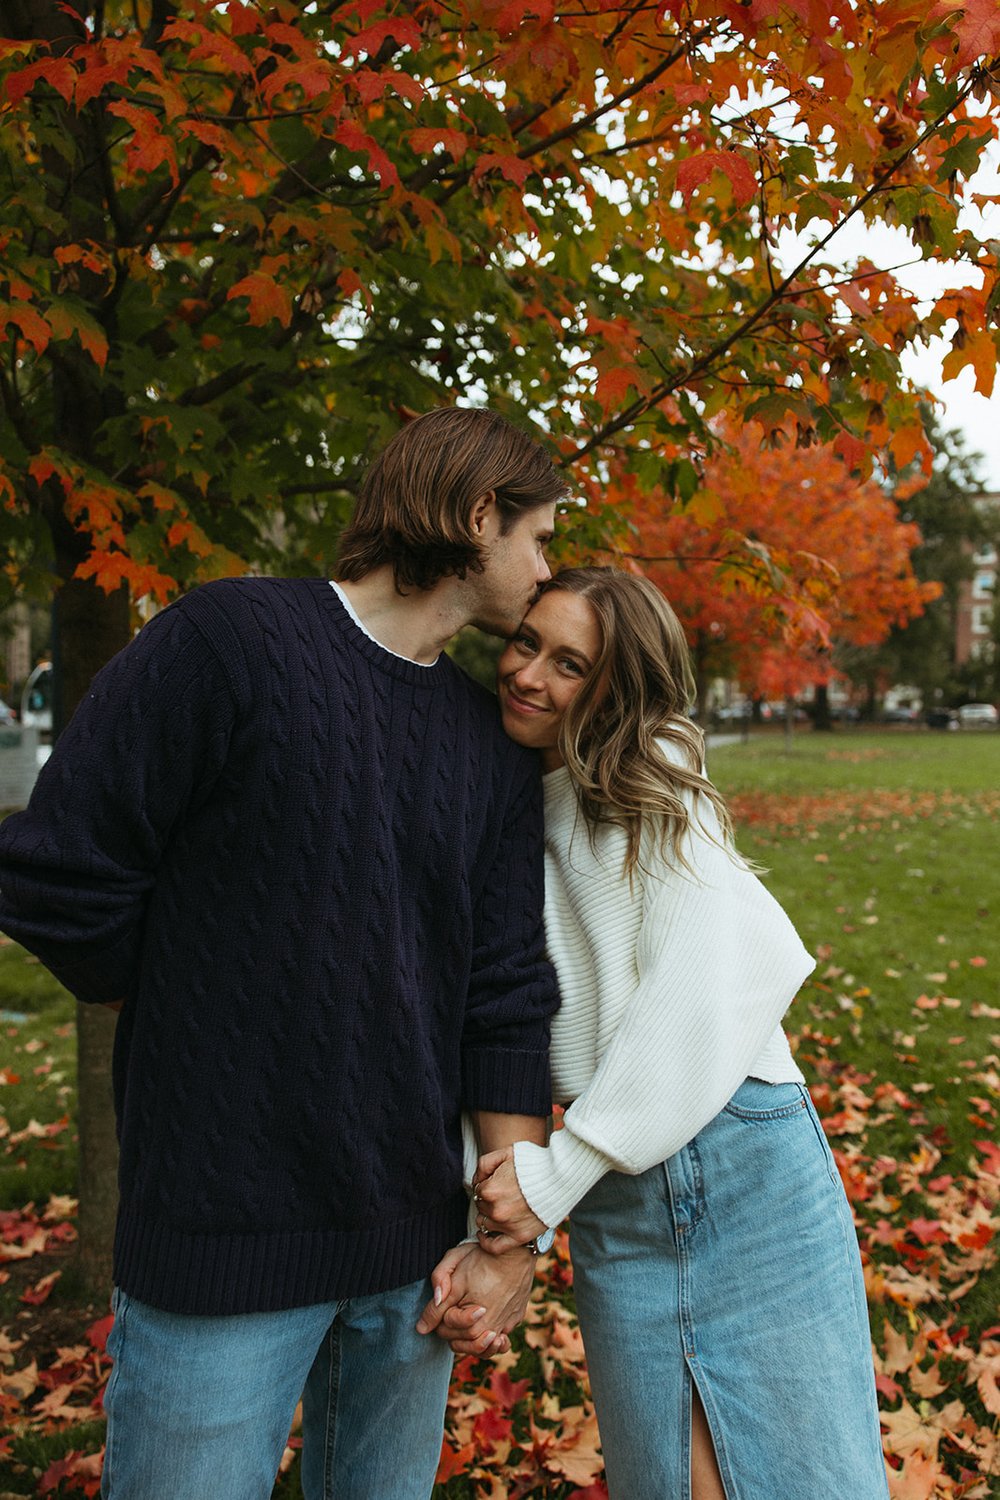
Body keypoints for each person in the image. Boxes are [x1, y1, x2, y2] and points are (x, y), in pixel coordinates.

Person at [0, 407, 567, 1500]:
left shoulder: (486, 745)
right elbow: (55, 870)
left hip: (413, 1258)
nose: (545, 569)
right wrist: (183, 997)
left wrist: (509, 1245)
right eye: (539, 536)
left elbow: (503, 999)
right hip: (221, 1238)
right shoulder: (226, 643)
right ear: (480, 514)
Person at [421, 567, 890, 1500]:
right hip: (619, 1190)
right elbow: (499, 1011)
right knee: (667, 1480)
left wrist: (556, 1174)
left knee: (804, 1479)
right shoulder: (504, 797)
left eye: (571, 666)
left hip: (734, 1163)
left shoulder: (655, 784)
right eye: (527, 644)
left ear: (614, 690)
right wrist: (512, 1216)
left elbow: (718, 978)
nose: (530, 677)